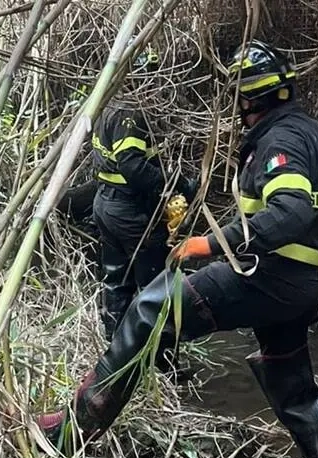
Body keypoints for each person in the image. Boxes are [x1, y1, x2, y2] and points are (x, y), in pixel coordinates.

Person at [37, 39, 318, 458]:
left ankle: (72, 431)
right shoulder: (314, 134)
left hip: (270, 275)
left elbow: (293, 212)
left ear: (248, 98)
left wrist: (210, 245)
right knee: (291, 387)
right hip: (299, 284)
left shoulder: (279, 143)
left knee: (151, 307)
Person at [90, 39, 197, 340]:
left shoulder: (108, 105)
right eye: (151, 74)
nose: (156, 83)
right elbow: (133, 167)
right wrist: (177, 185)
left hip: (106, 206)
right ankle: (161, 363)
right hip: (131, 213)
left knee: (117, 282)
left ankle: (115, 354)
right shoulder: (132, 112)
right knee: (157, 286)